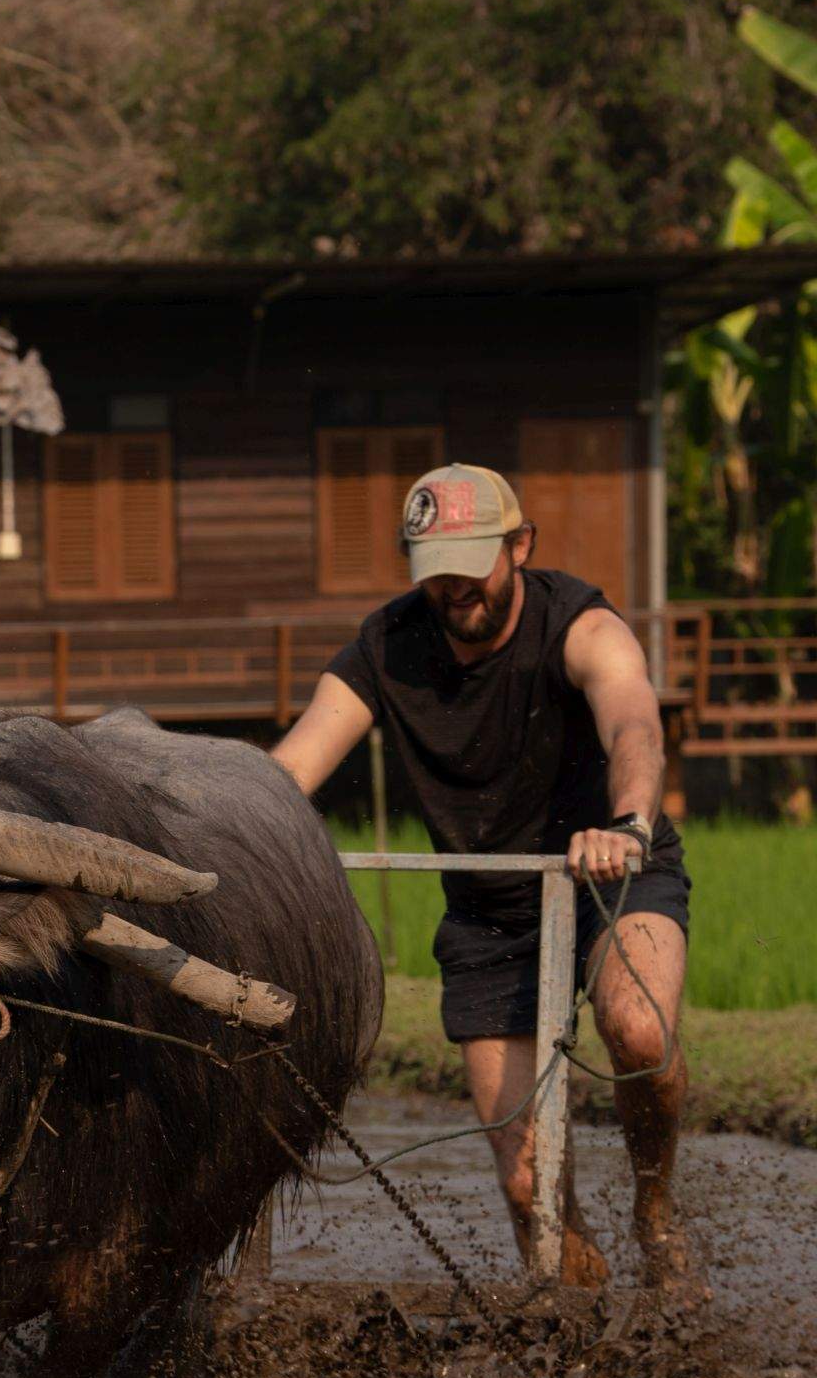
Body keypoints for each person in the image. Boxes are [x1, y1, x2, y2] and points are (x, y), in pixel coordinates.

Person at [272, 461, 691, 1292]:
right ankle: (586, 1339)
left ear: (520, 546)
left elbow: (634, 721)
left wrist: (627, 823)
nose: (456, 589)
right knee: (529, 1185)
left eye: (472, 565)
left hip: (609, 871)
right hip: (491, 913)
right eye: (436, 572)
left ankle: (653, 1207)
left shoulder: (579, 624)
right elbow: (292, 767)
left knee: (637, 1029)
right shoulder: (387, 646)